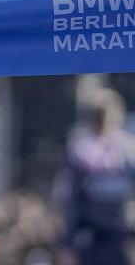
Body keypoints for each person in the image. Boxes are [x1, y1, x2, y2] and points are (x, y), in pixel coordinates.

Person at [58, 88, 135, 265]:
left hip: (104, 235)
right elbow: (72, 198)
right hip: (105, 235)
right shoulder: (127, 149)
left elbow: (70, 199)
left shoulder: (79, 149)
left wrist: (67, 240)